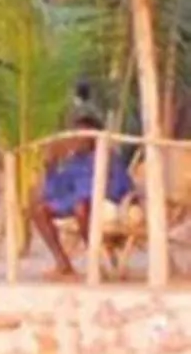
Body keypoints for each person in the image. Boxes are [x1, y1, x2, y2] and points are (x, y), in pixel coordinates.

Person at [27, 112, 137, 278]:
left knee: (81, 207)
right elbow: (56, 192)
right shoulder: (73, 162)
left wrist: (101, 194)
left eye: (82, 136)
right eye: (75, 136)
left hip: (104, 203)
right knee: (39, 210)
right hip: (74, 203)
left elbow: (124, 187)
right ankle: (63, 263)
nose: (76, 141)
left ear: (93, 138)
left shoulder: (110, 158)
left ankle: (97, 260)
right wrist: (51, 167)